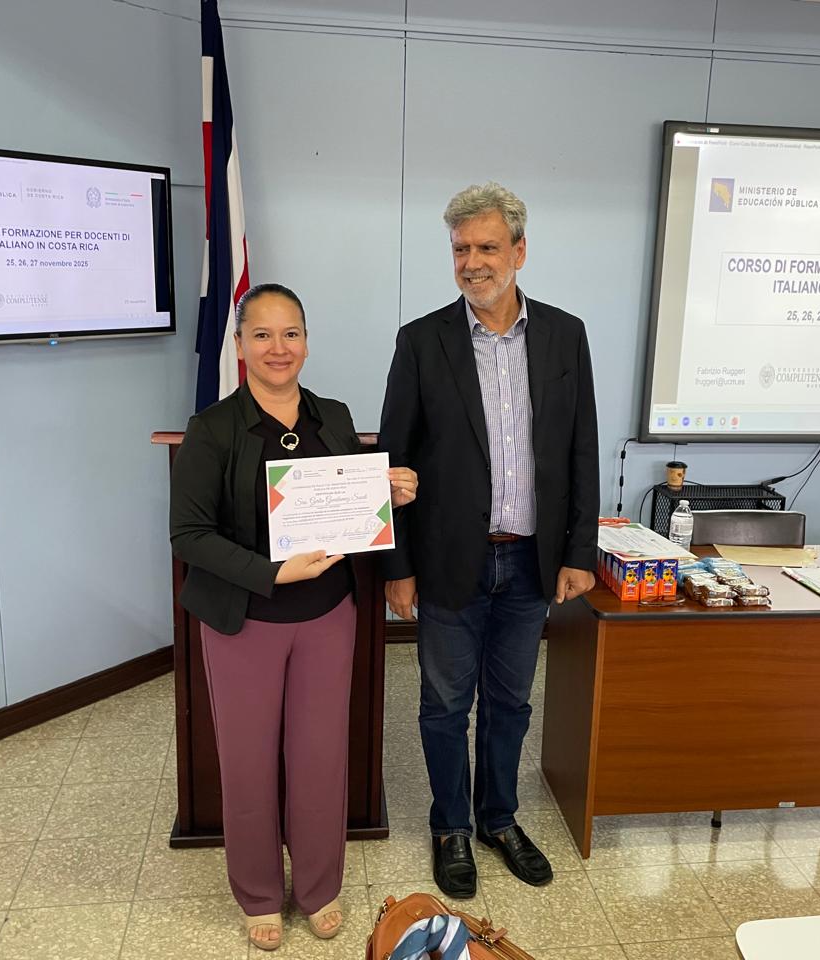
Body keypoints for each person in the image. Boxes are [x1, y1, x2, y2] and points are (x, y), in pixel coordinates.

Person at [170, 283, 417, 951]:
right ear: (240, 345)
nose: (278, 348)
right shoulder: (212, 429)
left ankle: (318, 885)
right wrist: (273, 572)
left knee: (319, 758)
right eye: (262, 334)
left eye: (291, 333)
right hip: (244, 620)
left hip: (328, 615)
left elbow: (351, 511)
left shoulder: (333, 417)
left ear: (306, 342)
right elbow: (189, 537)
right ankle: (257, 893)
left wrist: (389, 493)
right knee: (247, 763)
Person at [379, 182, 599, 899]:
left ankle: (498, 819)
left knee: (511, 704)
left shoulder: (565, 335)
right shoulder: (421, 341)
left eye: (487, 247)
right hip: (449, 560)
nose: (473, 262)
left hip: (531, 560)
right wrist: (398, 565)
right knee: (445, 705)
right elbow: (394, 463)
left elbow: (582, 450)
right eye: (461, 249)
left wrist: (578, 552)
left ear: (519, 251)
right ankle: (450, 826)